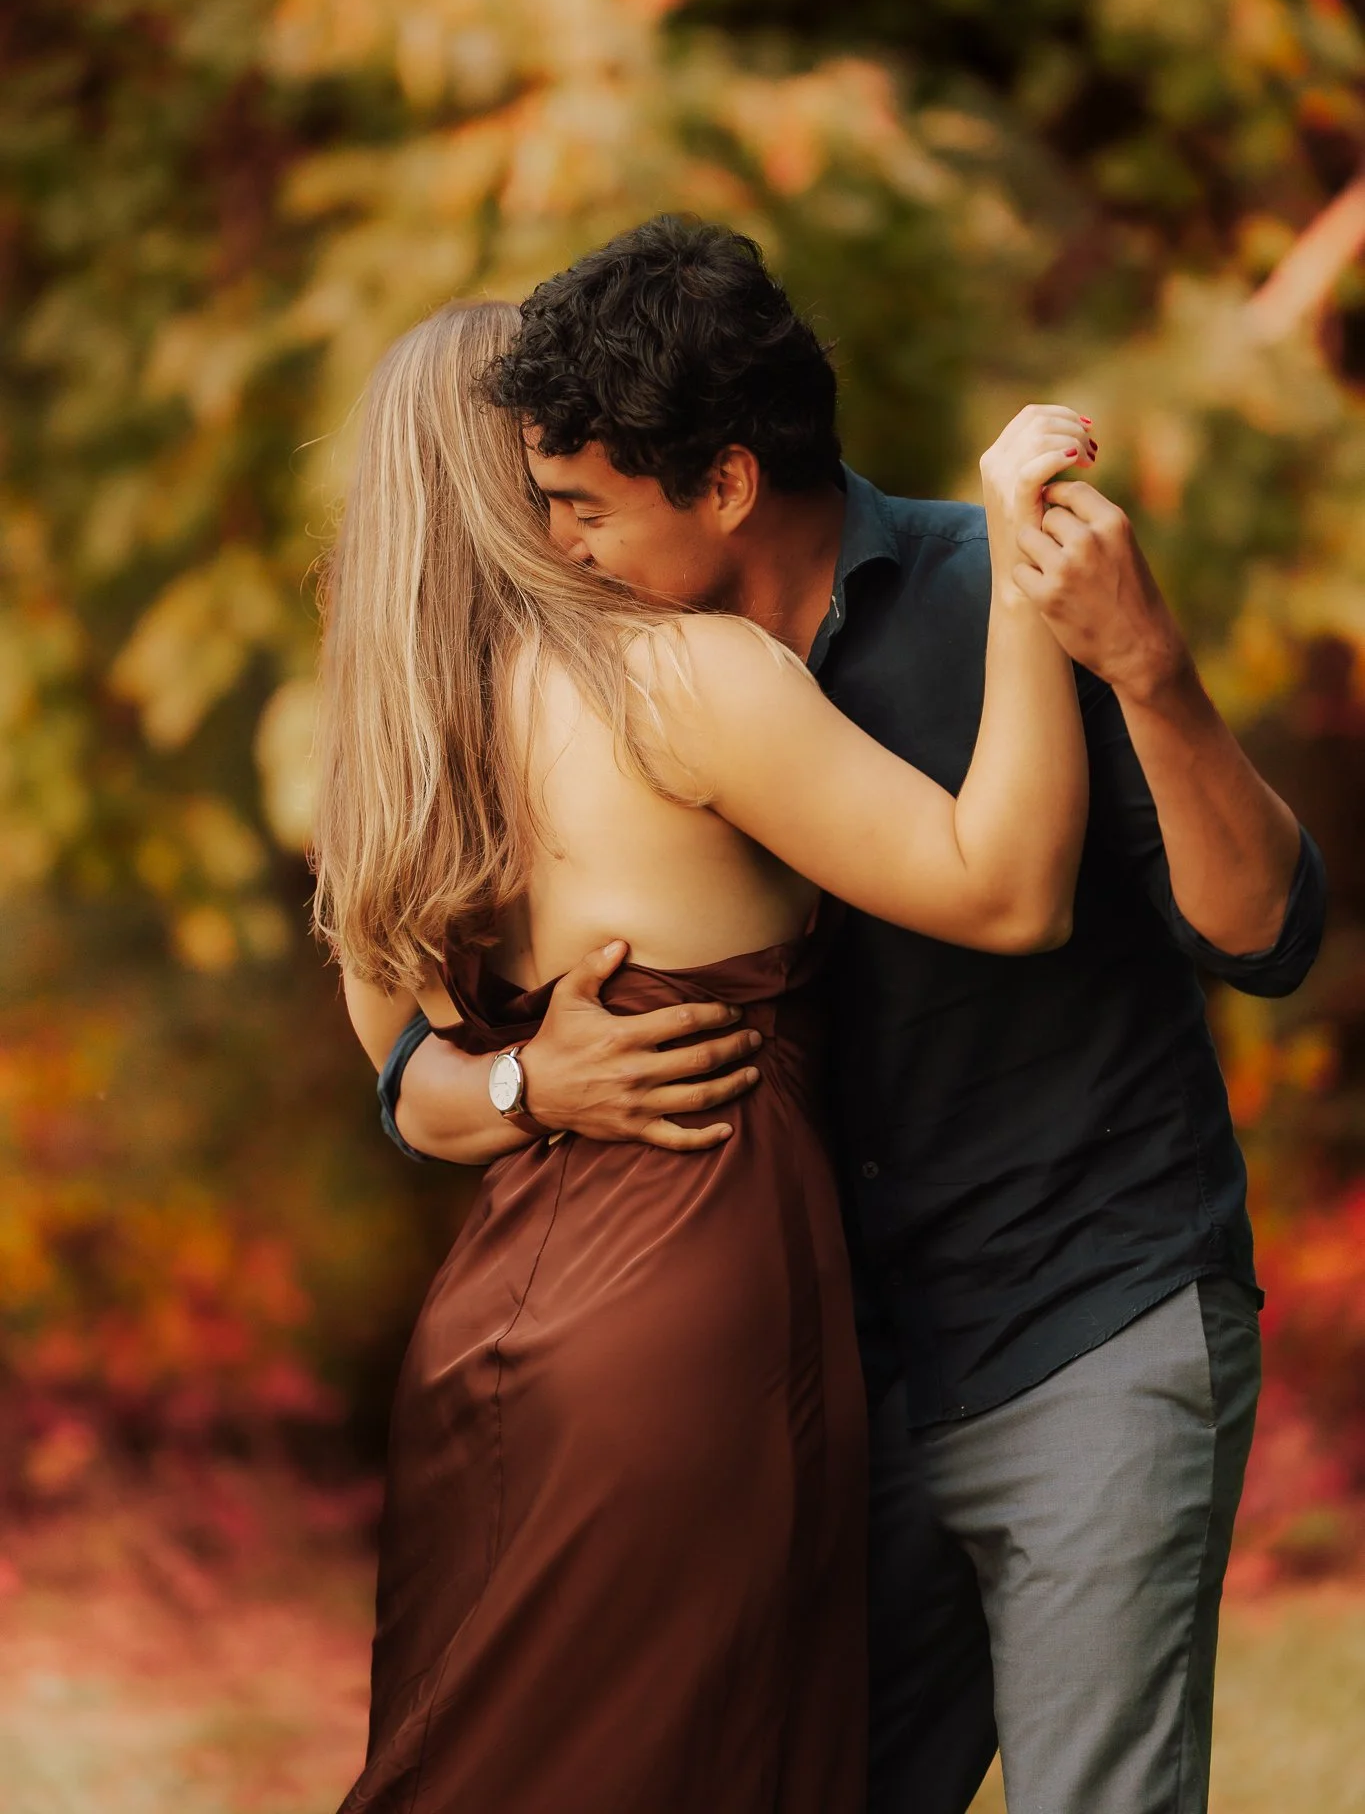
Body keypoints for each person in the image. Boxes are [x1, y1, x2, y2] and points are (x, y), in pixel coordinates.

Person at [385, 219, 1327, 1814]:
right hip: (843, 1380)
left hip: (1086, 1319)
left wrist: (1152, 672)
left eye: (588, 509)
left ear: (725, 484)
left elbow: (1267, 933)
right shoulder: (623, 702)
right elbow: (411, 1047)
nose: (560, 551)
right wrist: (536, 1080)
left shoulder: (992, 597)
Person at [316, 294, 1093, 1814]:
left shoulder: (394, 759)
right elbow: (1007, 892)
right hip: (689, 1314)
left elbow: (405, 1084)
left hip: (489, 1334)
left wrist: (525, 1083)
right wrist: (1020, 577)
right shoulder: (674, 680)